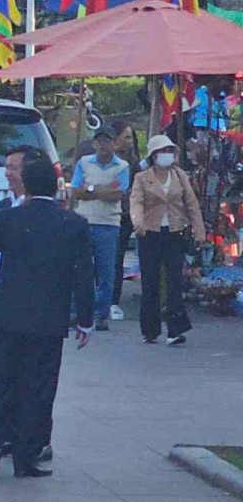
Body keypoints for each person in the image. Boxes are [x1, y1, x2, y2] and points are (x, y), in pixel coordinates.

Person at [0, 156, 95, 478]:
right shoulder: (73, 224)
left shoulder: (9, 218)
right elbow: (84, 274)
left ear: (26, 185)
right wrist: (84, 317)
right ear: (55, 188)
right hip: (48, 318)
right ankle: (26, 456)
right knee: (38, 387)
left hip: (7, 314)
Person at [130, 132, 203, 346]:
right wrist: (138, 222)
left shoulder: (180, 176)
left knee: (174, 281)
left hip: (174, 233)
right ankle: (150, 329)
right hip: (149, 234)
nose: (166, 154)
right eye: (162, 151)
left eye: (170, 150)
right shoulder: (142, 178)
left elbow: (191, 204)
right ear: (154, 155)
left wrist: (199, 232)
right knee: (150, 282)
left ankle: (175, 329)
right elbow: (136, 202)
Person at [71, 127, 130, 331]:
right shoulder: (84, 162)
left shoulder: (122, 166)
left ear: (113, 143)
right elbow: (77, 190)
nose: (103, 145)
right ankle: (76, 312)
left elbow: (118, 194)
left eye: (107, 141)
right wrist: (97, 190)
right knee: (80, 270)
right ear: (94, 143)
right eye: (99, 141)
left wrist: (91, 189)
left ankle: (101, 314)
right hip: (84, 221)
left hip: (109, 224)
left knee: (106, 272)